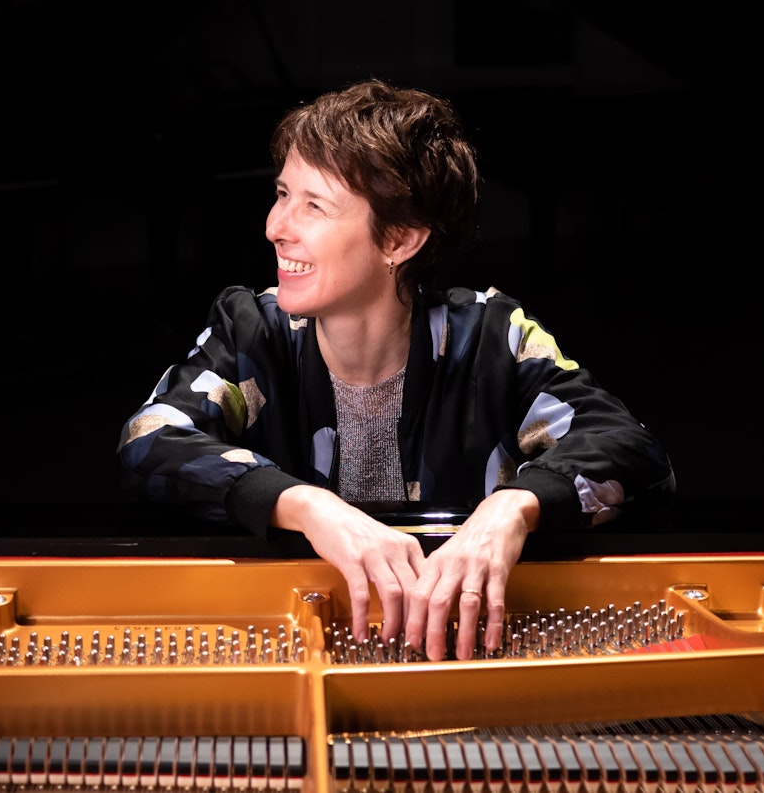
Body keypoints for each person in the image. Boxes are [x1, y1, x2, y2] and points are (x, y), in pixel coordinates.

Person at [119, 80, 674, 661]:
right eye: (282, 194)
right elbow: (150, 441)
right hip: (294, 632)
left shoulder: (491, 336)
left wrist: (510, 510)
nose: (276, 226)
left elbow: (632, 452)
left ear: (399, 239)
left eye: (313, 204)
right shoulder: (250, 330)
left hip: (468, 649)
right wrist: (311, 505)